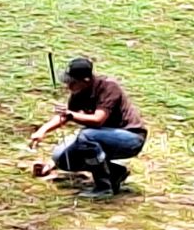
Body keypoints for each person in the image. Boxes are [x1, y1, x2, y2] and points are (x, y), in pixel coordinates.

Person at [28, 57, 148, 199]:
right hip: (102, 136)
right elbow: (65, 115)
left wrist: (71, 115)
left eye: (72, 82)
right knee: (61, 158)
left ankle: (103, 187)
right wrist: (43, 130)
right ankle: (114, 173)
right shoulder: (79, 93)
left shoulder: (109, 88)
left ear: (86, 80)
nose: (68, 86)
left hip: (130, 138)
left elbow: (98, 120)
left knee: (86, 136)